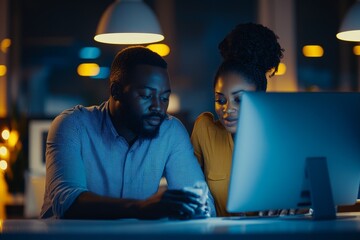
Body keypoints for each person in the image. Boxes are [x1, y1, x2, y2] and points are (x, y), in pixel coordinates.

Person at [41, 46, 215, 219]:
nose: (158, 107)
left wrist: (191, 207)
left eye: (164, 98)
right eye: (146, 95)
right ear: (116, 91)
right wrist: (140, 207)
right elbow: (67, 202)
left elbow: (202, 204)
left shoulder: (170, 131)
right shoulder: (73, 125)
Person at [191, 23, 284, 217]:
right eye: (220, 100)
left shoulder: (282, 135)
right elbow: (191, 192)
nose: (228, 109)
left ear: (260, 98)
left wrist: (301, 206)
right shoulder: (205, 130)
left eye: (239, 99)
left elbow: (315, 197)